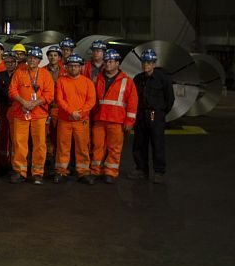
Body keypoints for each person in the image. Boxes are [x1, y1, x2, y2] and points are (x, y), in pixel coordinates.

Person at [8, 47, 55, 184]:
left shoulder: (45, 74)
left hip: (39, 114)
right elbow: (12, 90)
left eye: (35, 58)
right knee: (19, 143)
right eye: (30, 57)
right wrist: (24, 102)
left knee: (40, 144)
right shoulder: (19, 72)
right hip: (21, 112)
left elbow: (49, 94)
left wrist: (34, 103)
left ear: (39, 60)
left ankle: (37, 173)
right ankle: (20, 172)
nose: (32, 60)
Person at [91, 49, 139, 184]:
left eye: (111, 61)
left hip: (116, 120)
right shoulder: (98, 79)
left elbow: (133, 103)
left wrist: (129, 122)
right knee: (97, 146)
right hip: (99, 119)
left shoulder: (127, 81)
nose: (108, 64)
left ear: (117, 63)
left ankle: (110, 172)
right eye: (106, 61)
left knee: (114, 148)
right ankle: (95, 171)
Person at [131, 49, 174, 183]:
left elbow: (170, 99)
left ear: (154, 64)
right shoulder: (138, 79)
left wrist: (160, 112)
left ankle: (159, 172)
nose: (146, 65)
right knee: (139, 143)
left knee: (157, 143)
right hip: (141, 115)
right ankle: (141, 170)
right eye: (144, 62)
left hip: (155, 115)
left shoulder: (163, 79)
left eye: (149, 62)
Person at [55, 54, 96, 184]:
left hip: (81, 120)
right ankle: (61, 171)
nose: (73, 68)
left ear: (81, 67)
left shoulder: (88, 82)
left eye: (76, 66)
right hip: (65, 119)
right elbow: (59, 99)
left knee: (82, 147)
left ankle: (83, 172)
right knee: (62, 146)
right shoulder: (61, 81)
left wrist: (80, 113)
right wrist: (71, 111)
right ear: (67, 67)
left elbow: (91, 101)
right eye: (71, 66)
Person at [0, 53, 18, 172]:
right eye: (7, 62)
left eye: (12, 62)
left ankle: (14, 164)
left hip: (15, 108)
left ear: (16, 63)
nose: (9, 64)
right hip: (2, 108)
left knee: (15, 137)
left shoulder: (19, 75)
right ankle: (2, 163)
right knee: (2, 135)